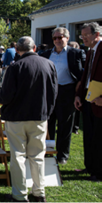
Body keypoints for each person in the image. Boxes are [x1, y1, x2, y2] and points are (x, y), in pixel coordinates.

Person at [0, 36, 58, 203]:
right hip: (39, 116)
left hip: (17, 118)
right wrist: (47, 112)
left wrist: (1, 98)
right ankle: (39, 193)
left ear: (17, 49)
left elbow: (5, 96)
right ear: (35, 48)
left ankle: (20, 195)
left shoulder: (15, 67)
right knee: (38, 155)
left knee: (18, 156)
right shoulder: (49, 64)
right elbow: (54, 93)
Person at [40, 27, 85, 165]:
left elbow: (83, 74)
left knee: (65, 125)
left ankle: (62, 155)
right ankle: (48, 151)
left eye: (60, 37)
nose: (58, 40)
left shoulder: (76, 53)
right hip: (49, 92)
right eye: (55, 38)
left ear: (67, 37)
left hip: (67, 91)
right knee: (48, 124)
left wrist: (79, 90)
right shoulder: (46, 54)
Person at [74, 22, 102, 182]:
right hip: (88, 100)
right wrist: (78, 95)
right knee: (89, 136)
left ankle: (99, 172)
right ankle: (90, 167)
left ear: (96, 35)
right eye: (82, 36)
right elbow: (86, 77)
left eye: (86, 35)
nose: (83, 38)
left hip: (99, 102)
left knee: (99, 139)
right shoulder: (91, 51)